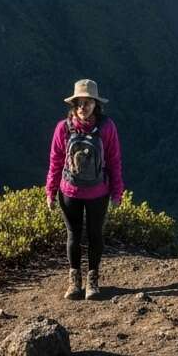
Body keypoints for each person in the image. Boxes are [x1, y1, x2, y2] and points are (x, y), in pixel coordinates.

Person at [45, 78, 124, 300]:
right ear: (74, 104)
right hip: (70, 192)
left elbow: (114, 160)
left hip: (98, 192)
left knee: (95, 234)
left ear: (95, 104)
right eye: (79, 102)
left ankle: (92, 280)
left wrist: (117, 192)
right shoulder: (63, 128)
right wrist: (50, 191)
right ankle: (75, 281)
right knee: (74, 235)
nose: (82, 107)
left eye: (87, 102)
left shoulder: (107, 127)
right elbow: (55, 161)